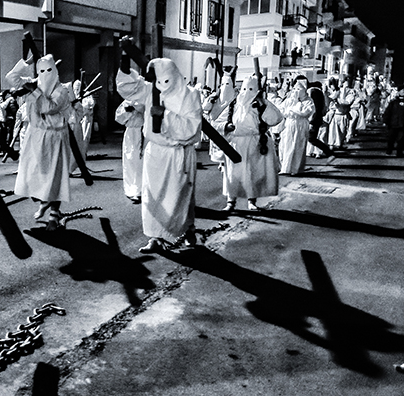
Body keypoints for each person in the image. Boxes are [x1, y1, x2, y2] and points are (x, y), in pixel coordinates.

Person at [116, 57, 203, 252]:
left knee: (180, 197)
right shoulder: (150, 90)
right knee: (152, 197)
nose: (162, 86)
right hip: (155, 153)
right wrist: (124, 63)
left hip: (178, 154)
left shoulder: (190, 94)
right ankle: (155, 237)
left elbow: (192, 126)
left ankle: (188, 229)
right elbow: (128, 88)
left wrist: (165, 115)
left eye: (166, 80)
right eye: (158, 81)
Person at [7, 53, 76, 229]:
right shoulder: (33, 82)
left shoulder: (62, 90)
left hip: (55, 137)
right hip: (34, 135)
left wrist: (34, 91)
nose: (45, 74)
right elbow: (11, 78)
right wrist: (26, 63)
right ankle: (44, 201)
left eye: (48, 70)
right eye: (41, 71)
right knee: (32, 175)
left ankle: (54, 213)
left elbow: (49, 107)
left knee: (55, 175)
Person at [214, 75, 283, 211]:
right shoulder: (234, 105)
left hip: (254, 144)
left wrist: (264, 103)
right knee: (233, 174)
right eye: (244, 88)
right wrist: (227, 126)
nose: (246, 92)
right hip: (236, 144)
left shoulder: (260, 105)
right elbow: (216, 122)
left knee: (253, 173)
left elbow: (276, 118)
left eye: (250, 89)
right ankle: (230, 202)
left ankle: (252, 201)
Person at [278, 76, 315, 176]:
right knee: (285, 145)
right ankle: (285, 167)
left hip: (300, 125)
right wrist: (290, 108)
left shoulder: (308, 101)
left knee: (298, 146)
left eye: (299, 89)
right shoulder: (289, 100)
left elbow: (305, 112)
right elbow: (281, 110)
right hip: (289, 123)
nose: (296, 91)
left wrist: (294, 108)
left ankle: (296, 169)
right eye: (294, 89)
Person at [115, 96, 145, 204]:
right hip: (130, 132)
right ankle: (130, 189)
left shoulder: (146, 98)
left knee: (139, 162)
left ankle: (139, 190)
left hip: (142, 132)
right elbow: (118, 118)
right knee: (129, 160)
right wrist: (128, 111)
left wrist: (139, 109)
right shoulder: (127, 101)